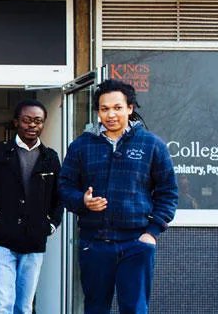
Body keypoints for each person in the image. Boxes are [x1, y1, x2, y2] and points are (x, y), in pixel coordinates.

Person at [58, 79, 178, 314]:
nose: (110, 114)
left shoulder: (151, 145)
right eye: (104, 109)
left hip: (136, 243)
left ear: (130, 108)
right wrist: (82, 201)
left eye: (117, 107)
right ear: (98, 112)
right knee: (95, 309)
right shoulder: (81, 146)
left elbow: (168, 192)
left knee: (134, 309)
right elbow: (64, 187)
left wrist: (151, 233)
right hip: (95, 244)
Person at [0, 99, 62, 314]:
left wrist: (52, 224)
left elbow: (60, 196)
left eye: (37, 121)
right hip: (3, 239)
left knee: (24, 306)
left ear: (43, 124)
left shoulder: (51, 158)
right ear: (16, 122)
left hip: (34, 240)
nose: (32, 125)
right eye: (27, 120)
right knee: (2, 303)